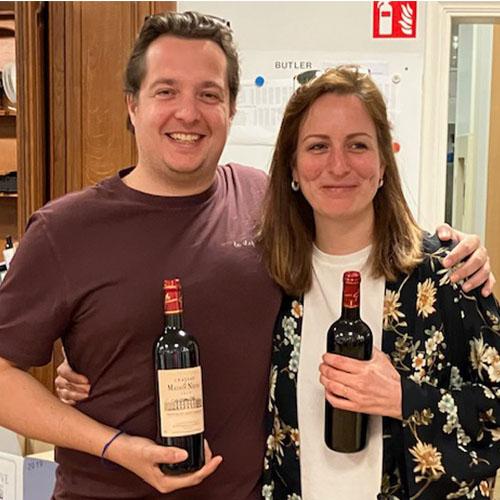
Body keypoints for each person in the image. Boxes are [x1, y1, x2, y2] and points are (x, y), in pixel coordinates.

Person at [0, 11, 493, 500]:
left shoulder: (262, 208)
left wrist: (453, 250)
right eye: (166, 91)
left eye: (209, 94)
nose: (188, 113)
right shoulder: (66, 231)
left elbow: (356, 226)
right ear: (132, 104)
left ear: (231, 108)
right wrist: (111, 442)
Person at [258, 66, 500, 500]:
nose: (338, 165)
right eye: (317, 146)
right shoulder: (267, 279)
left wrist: (403, 397)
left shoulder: (446, 273)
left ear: (383, 163)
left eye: (358, 145)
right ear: (292, 166)